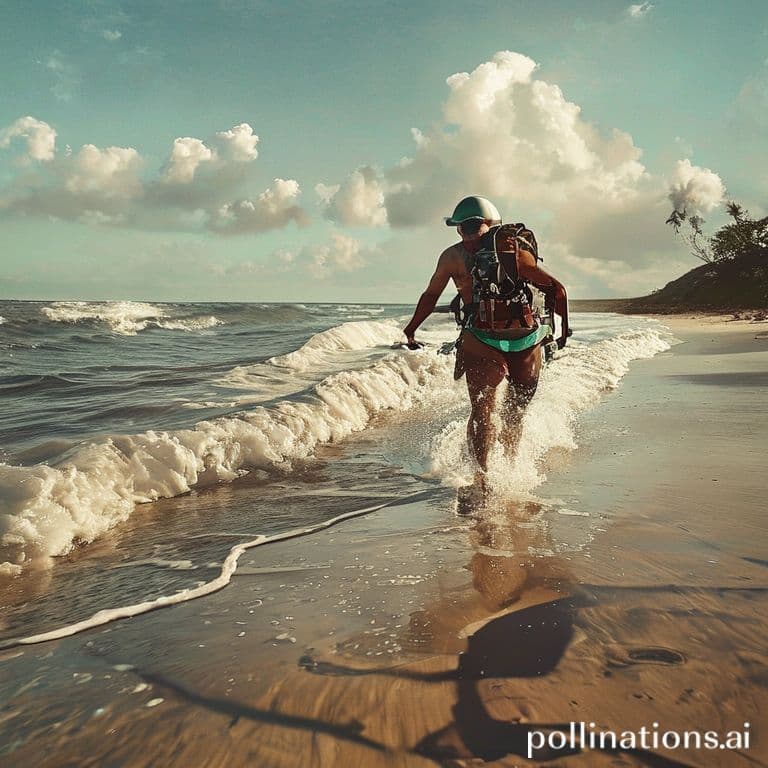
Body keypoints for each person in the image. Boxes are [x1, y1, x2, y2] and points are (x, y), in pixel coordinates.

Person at [403, 196, 569, 503]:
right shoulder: (513, 251)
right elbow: (556, 290)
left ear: (458, 229)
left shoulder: (451, 257)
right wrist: (560, 331)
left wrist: (411, 329)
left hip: (482, 340)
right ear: (491, 225)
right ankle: (511, 469)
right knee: (514, 413)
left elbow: (429, 296)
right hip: (526, 340)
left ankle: (483, 479)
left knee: (481, 411)